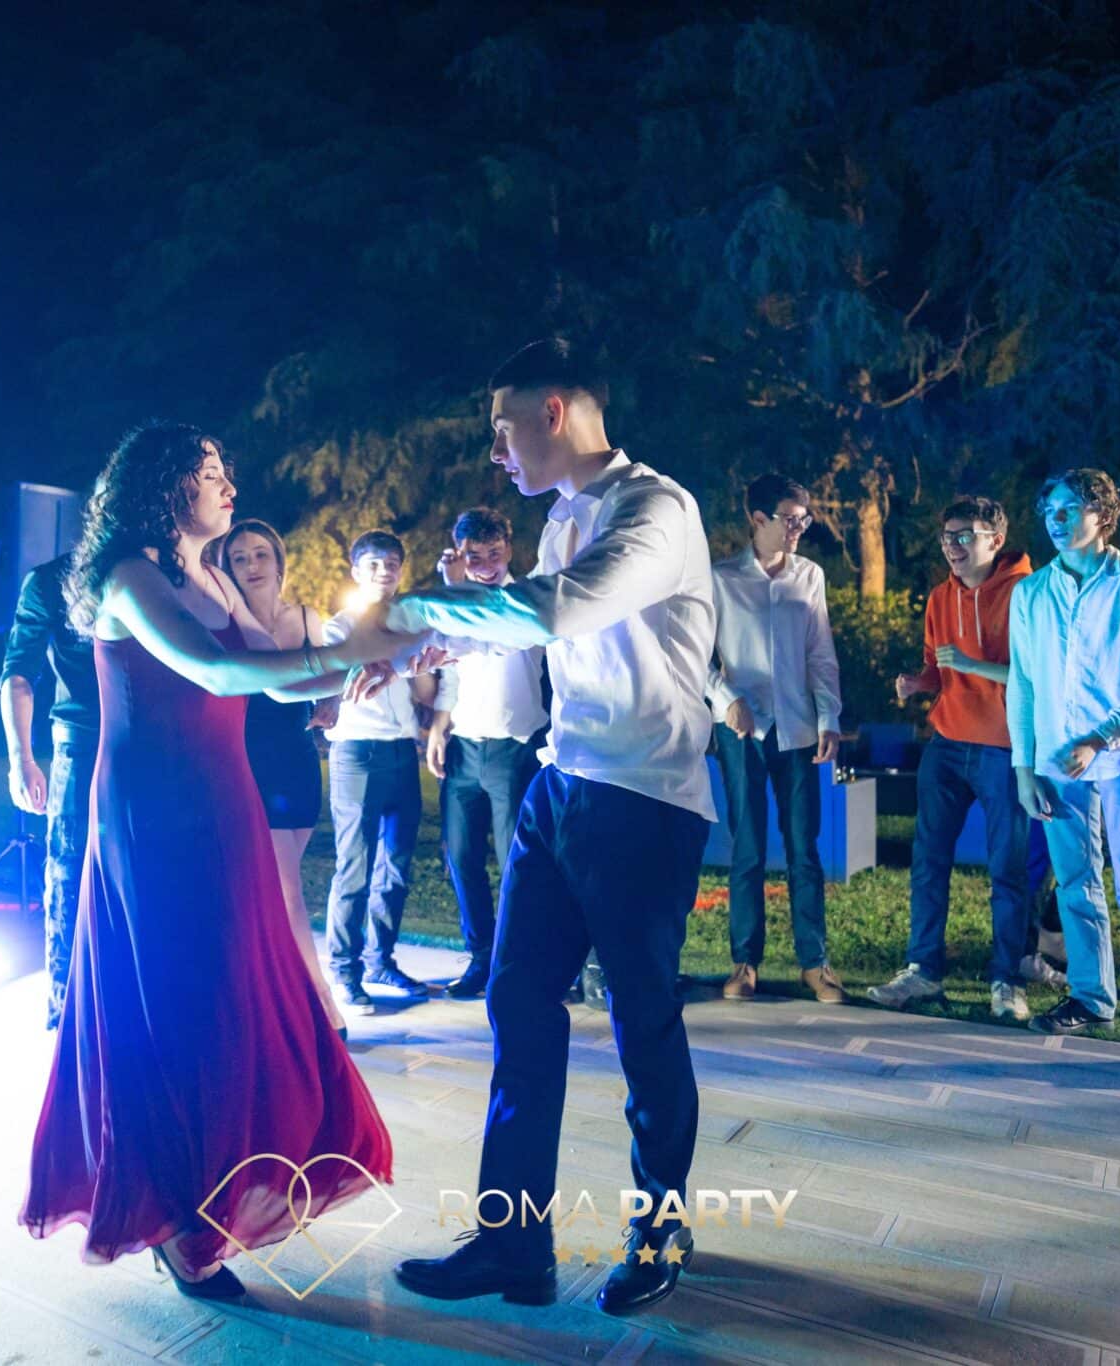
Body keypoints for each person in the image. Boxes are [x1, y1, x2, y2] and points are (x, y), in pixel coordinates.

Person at [21, 420, 402, 1296]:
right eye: (209, 472)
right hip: (152, 811)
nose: (228, 485)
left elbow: (275, 674)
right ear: (164, 488)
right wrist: (348, 651)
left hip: (225, 798)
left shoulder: (214, 574)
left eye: (225, 470)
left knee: (240, 987)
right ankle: (178, 1216)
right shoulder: (128, 578)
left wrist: (355, 672)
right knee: (178, 1002)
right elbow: (214, 673)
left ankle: (222, 1186)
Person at [389, 338, 715, 1317]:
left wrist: (413, 609)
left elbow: (559, 609)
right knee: (517, 998)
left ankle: (659, 1229)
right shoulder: (565, 516)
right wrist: (430, 645)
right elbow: (525, 625)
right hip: (559, 784)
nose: (496, 452)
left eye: (502, 428)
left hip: (644, 799)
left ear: (555, 412)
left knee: (641, 1020)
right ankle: (512, 1240)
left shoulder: (655, 510)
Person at [1009, 469, 1120, 1084]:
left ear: (1103, 515)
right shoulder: (1031, 593)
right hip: (1057, 763)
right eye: (1050, 510)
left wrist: (1099, 738)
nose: (1056, 520)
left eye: (1070, 509)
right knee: (1073, 882)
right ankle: (1090, 995)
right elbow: (1023, 683)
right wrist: (1024, 764)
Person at [869, 495, 1041, 1021]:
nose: (953, 546)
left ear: (995, 539)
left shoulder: (1026, 594)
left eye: (965, 535)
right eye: (947, 536)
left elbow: (1035, 675)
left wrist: (969, 664)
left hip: (1004, 747)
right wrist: (918, 682)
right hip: (945, 744)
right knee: (928, 861)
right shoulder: (940, 597)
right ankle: (923, 970)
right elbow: (937, 667)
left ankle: (1006, 979)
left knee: (1007, 868)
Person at [706, 472, 844, 1004]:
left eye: (804, 520)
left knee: (804, 850)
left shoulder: (809, 576)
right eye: (790, 520)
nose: (798, 530)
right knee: (747, 848)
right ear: (758, 518)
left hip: (799, 730)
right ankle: (745, 963)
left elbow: (820, 653)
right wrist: (726, 698)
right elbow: (695, 657)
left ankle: (815, 964)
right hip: (741, 731)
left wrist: (829, 717)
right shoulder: (720, 580)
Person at [223, 518, 347, 1036]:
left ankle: (267, 999)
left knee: (273, 894)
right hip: (251, 767)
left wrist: (333, 699)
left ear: (278, 562)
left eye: (260, 554)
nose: (251, 565)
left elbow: (330, 673)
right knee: (288, 891)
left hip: (299, 764)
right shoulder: (225, 626)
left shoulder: (305, 617)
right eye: (239, 558)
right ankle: (320, 1007)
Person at [429, 506, 548, 1000]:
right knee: (461, 857)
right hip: (464, 745)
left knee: (516, 862)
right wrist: (439, 726)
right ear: (459, 553)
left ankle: (521, 962)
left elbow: (484, 638)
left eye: (493, 554)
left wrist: (455, 590)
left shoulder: (524, 599)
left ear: (509, 549)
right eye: (473, 556)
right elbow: (448, 665)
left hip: (512, 748)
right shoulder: (457, 599)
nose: (484, 566)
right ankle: (481, 956)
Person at [321, 530, 437, 1013]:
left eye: (391, 563)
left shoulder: (412, 626)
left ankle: (379, 960)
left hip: (402, 755)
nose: (384, 571)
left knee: (395, 867)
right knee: (354, 868)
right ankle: (344, 972)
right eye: (373, 564)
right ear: (356, 572)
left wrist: (418, 660)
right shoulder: (339, 629)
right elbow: (334, 685)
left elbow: (426, 694)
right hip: (357, 754)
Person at [0, 551, 100, 1030]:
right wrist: (21, 759)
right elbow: (18, 672)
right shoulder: (52, 580)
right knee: (70, 873)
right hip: (81, 742)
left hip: (153, 745)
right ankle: (66, 1010)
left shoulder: (162, 569)